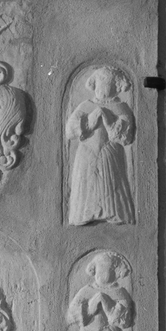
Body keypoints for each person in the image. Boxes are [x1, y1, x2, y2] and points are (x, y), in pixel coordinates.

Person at [65, 66, 135, 225]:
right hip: (86, 152)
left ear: (115, 86)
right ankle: (84, 215)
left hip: (110, 153)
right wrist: (89, 121)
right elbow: (69, 131)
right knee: (86, 185)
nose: (101, 88)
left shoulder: (121, 107)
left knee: (111, 186)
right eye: (98, 83)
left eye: (105, 83)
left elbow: (126, 138)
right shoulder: (86, 105)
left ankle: (113, 213)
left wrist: (110, 123)